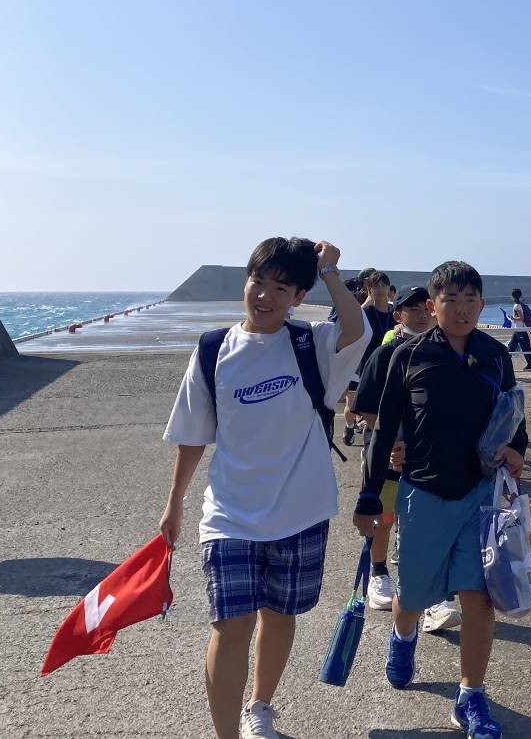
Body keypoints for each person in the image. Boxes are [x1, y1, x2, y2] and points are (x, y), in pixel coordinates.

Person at [160, 237, 370, 739]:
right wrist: (174, 504)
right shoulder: (214, 350)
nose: (266, 295)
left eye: (282, 287)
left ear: (299, 296)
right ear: (246, 280)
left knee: (279, 616)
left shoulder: (311, 343)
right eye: (259, 281)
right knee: (229, 628)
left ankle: (261, 708)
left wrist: (331, 272)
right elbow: (193, 434)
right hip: (230, 514)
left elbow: (357, 329)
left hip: (301, 510)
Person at [353, 261, 527, 739]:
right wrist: (370, 495)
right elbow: (385, 426)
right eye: (452, 300)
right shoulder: (406, 357)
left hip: (480, 493)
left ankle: (471, 695)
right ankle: (403, 634)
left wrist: (519, 451)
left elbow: (515, 415)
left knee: (479, 598)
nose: (463, 309)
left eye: (472, 299)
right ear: (432, 306)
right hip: (423, 492)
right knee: (411, 594)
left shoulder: (494, 355)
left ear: (482, 304)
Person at [354, 286, 459, 629]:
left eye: (423, 308)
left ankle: (435, 598)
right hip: (386, 455)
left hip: (428, 458)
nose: (419, 315)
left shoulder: (445, 353)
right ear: (398, 315)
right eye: (409, 309)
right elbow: (366, 410)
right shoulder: (384, 355)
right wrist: (395, 443)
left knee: (427, 524)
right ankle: (379, 573)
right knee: (384, 518)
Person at [345, 272, 394, 447]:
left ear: (389, 288)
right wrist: (364, 306)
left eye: (383, 285)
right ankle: (367, 446)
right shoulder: (364, 313)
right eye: (375, 286)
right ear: (369, 290)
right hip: (367, 367)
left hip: (392, 368)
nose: (379, 289)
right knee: (368, 409)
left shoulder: (396, 313)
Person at [507, 288, 531, 371]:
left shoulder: (517, 306)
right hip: (518, 330)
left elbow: (521, 317)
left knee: (525, 348)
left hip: (520, 330)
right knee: (511, 347)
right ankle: (505, 364)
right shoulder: (520, 305)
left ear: (513, 297)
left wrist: (513, 318)